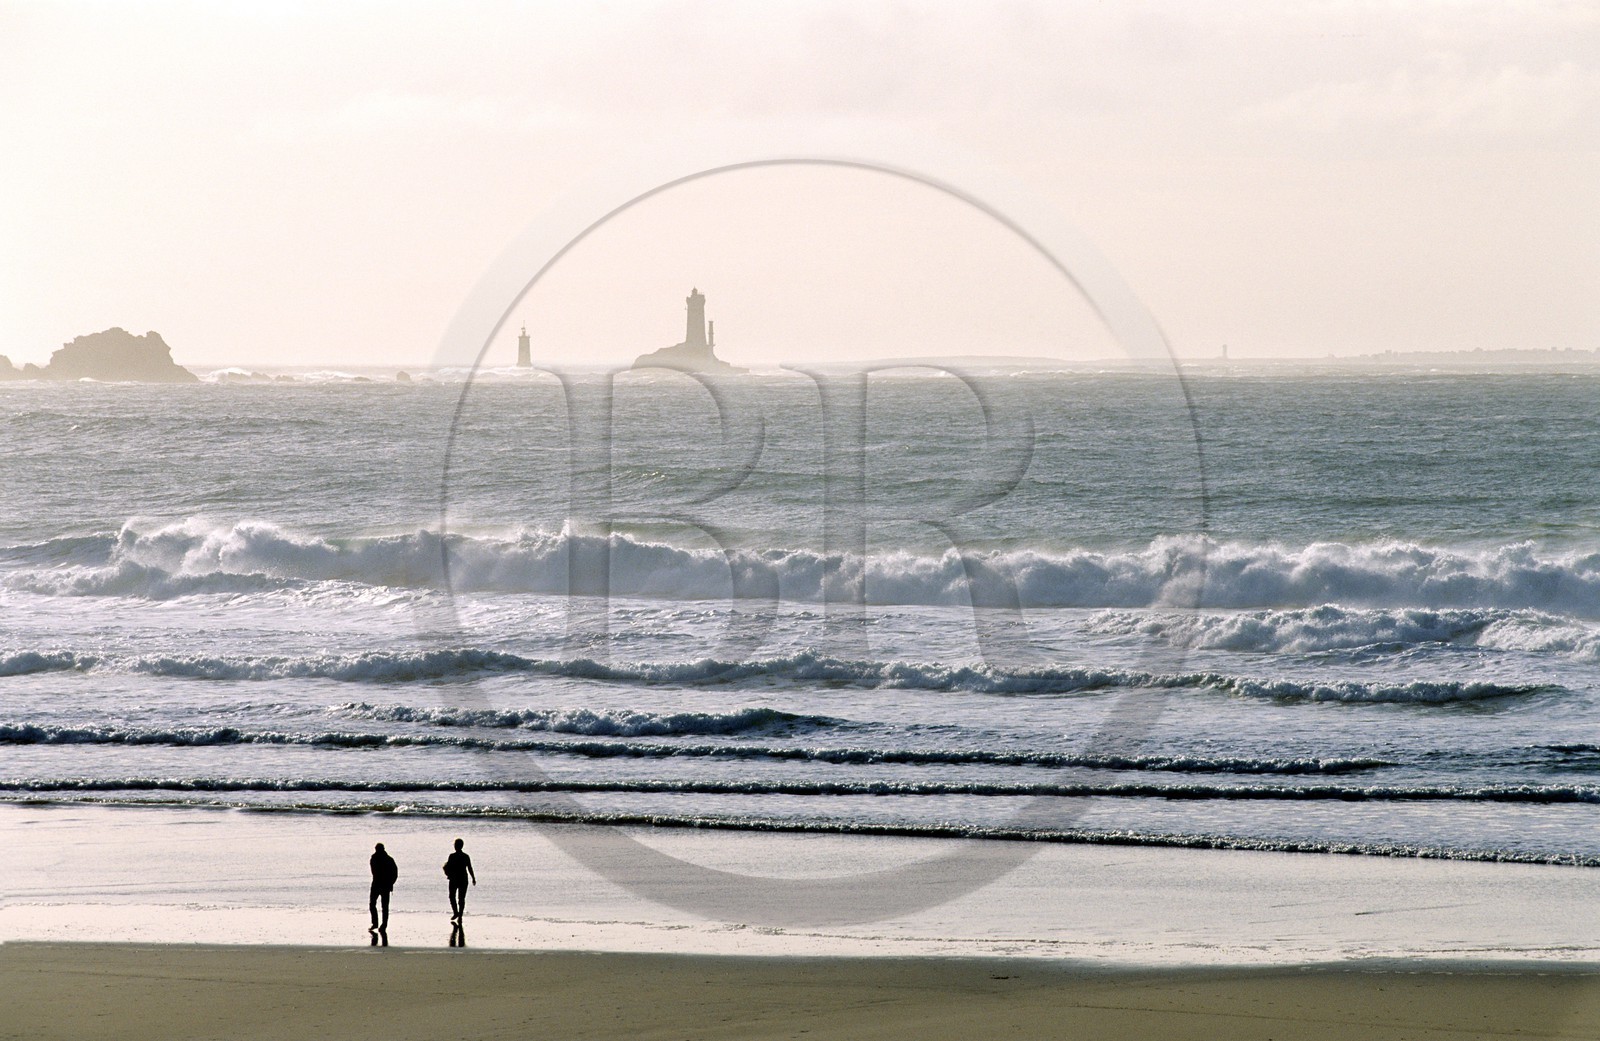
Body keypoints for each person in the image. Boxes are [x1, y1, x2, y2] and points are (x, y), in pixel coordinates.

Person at [443, 838, 476, 921]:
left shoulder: (454, 856)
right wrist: (473, 878)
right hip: (461, 879)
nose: (454, 846)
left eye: (455, 845)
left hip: (456, 879)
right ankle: (458, 914)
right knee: (458, 898)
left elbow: (469, 868)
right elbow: (470, 868)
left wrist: (473, 878)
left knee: (455, 897)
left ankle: (458, 914)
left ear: (458, 846)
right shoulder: (464, 856)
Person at [369, 842, 398, 933]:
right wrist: (390, 883)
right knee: (376, 905)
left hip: (381, 885)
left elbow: (394, 873)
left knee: (382, 906)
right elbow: (394, 873)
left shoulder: (386, 859)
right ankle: (378, 924)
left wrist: (390, 883)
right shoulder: (382, 859)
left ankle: (381, 925)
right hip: (379, 885)